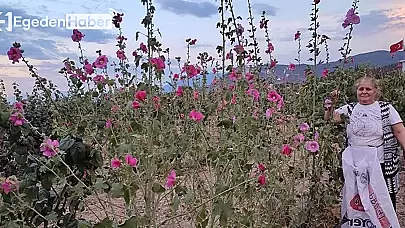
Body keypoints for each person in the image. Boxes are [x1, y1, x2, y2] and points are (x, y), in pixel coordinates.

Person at [324, 75, 405, 211]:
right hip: (355, 163)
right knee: (358, 197)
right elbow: (330, 119)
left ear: (375, 91)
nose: (364, 91)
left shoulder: (386, 108)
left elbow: (399, 131)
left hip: (380, 163)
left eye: (368, 88)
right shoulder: (349, 109)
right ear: (356, 91)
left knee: (382, 196)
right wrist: (331, 105)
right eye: (361, 89)